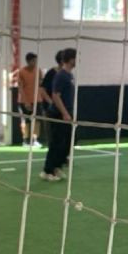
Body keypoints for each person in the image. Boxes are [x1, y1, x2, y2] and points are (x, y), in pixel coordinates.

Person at [41, 48, 77, 181]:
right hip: (58, 114)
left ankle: (57, 167)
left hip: (67, 113)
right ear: (71, 59)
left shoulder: (69, 75)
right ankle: (47, 171)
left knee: (67, 143)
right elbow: (56, 95)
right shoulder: (61, 75)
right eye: (76, 58)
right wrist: (65, 113)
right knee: (56, 143)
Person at [11, 52, 42, 146]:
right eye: (33, 61)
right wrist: (26, 102)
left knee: (37, 120)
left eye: (36, 61)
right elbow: (20, 88)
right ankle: (25, 140)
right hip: (24, 101)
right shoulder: (21, 72)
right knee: (25, 121)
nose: (35, 63)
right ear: (28, 61)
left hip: (37, 100)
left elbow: (40, 84)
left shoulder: (38, 71)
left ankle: (35, 139)